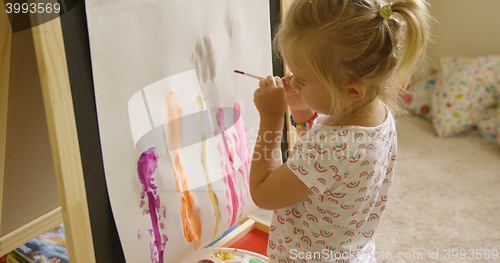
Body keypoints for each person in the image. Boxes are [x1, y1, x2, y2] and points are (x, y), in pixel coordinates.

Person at [250, 0, 431, 262]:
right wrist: (301, 113)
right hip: (351, 253)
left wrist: (271, 117)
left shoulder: (330, 146)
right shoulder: (376, 115)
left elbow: (263, 193)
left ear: (352, 90)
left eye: (303, 79)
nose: (292, 81)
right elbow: (323, 172)